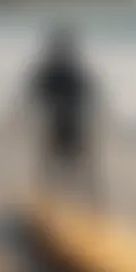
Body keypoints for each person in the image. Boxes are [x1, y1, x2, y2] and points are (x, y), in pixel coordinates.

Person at [23, 21, 103, 205]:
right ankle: (90, 206)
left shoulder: (52, 70)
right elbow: (92, 96)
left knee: (57, 166)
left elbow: (31, 96)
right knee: (78, 168)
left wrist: (21, 116)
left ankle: (47, 203)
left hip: (64, 125)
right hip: (69, 125)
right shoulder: (72, 70)